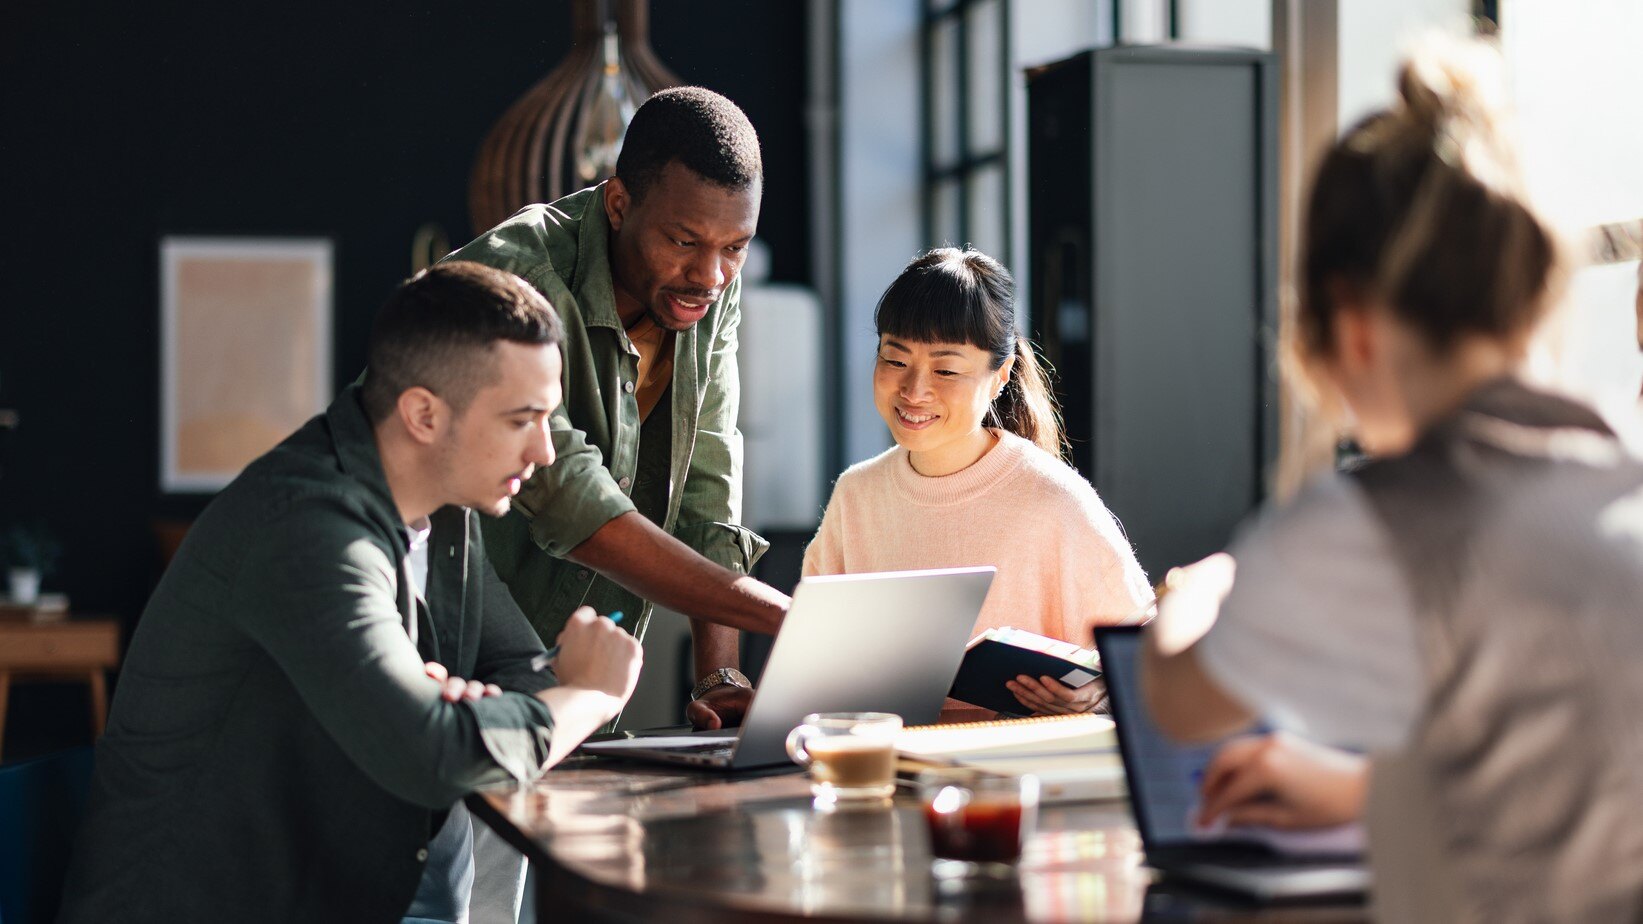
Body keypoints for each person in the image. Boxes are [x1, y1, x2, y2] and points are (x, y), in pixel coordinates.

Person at [1141, 37, 1643, 921]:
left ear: (1352, 323)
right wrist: (1355, 791)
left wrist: (1194, 592)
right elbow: (1565, 762)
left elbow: (1178, 702)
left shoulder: (1380, 519)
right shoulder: (1623, 468)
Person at [59, 263, 643, 923]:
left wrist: (478, 714)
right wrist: (591, 694)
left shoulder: (447, 512)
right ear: (423, 413)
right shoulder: (304, 528)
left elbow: (517, 668)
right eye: (521, 419)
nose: (543, 451)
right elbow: (434, 755)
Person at [445, 86, 787, 732]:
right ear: (618, 203)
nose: (710, 275)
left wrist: (721, 677)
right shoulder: (512, 278)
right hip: (442, 674)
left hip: (574, 711)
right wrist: (790, 620)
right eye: (684, 241)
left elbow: (708, 490)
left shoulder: (709, 293)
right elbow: (575, 501)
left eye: (734, 247)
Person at [802, 247, 1152, 717]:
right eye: (894, 359)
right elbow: (811, 661)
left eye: (946, 370)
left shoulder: (1053, 499)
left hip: (1012, 771)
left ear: (999, 376)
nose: (914, 389)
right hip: (885, 768)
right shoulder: (856, 495)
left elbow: (1144, 654)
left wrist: (1098, 693)